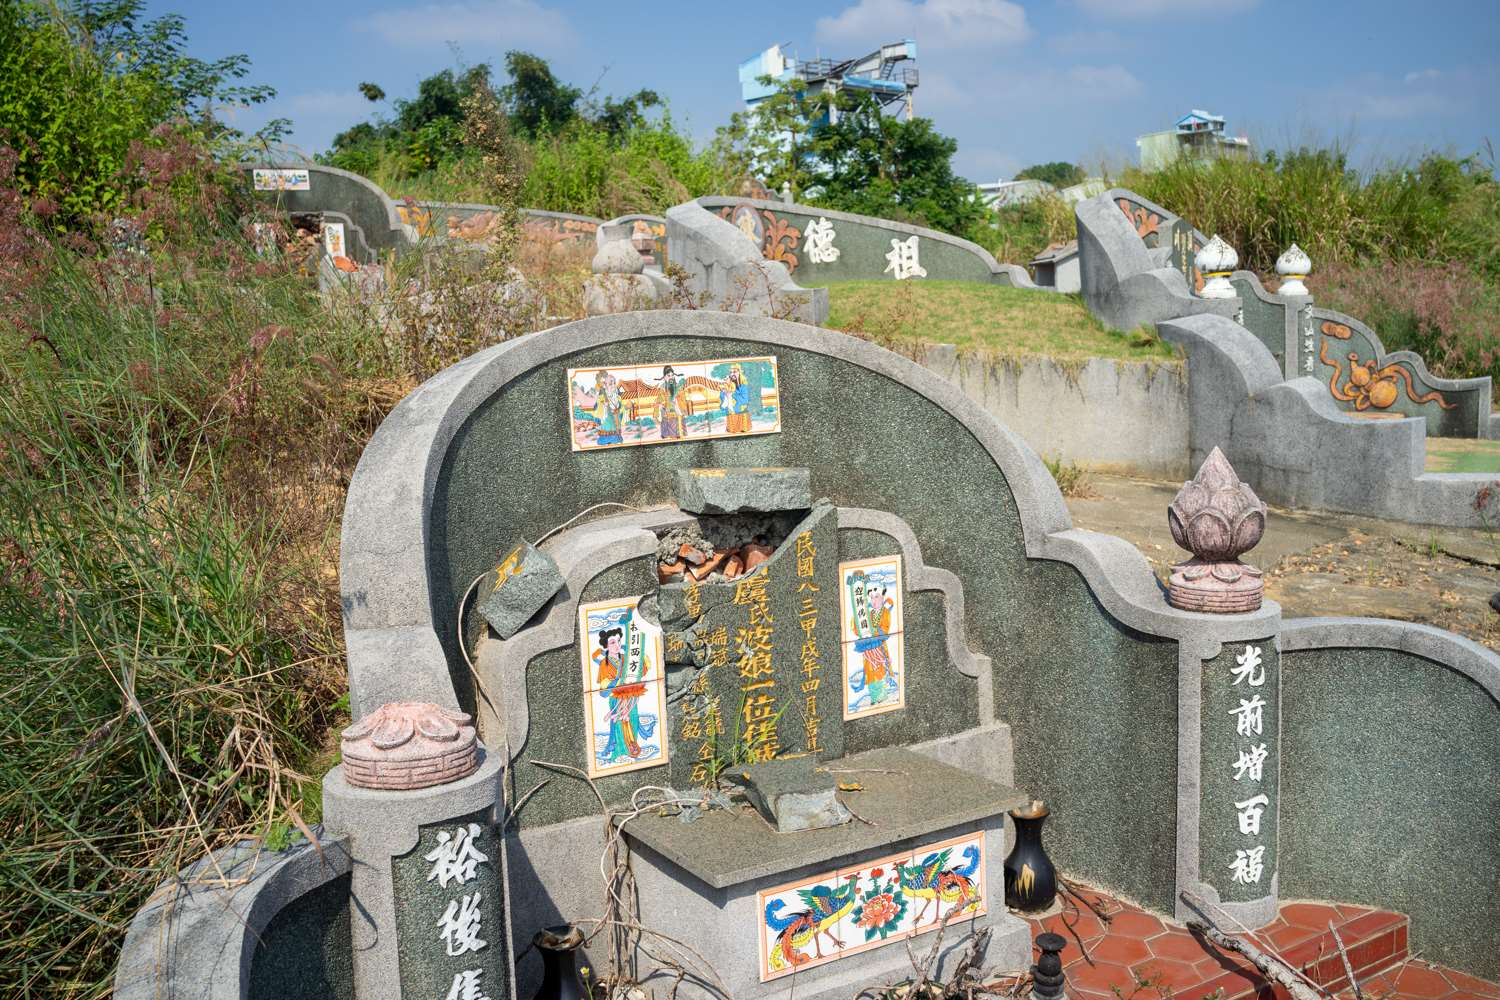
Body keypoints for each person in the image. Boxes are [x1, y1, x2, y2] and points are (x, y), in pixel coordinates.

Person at [593, 626, 651, 763]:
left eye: (619, 641)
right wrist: (619, 681)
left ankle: (633, 748)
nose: (617, 645)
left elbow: (643, 667)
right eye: (612, 642)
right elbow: (604, 686)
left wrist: (631, 650)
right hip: (616, 699)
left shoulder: (627, 658)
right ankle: (620, 751)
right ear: (606, 645)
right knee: (619, 724)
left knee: (633, 720)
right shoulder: (604, 663)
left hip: (631, 698)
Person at [852, 584, 897, 707]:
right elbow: (858, 630)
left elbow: (885, 629)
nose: (874, 600)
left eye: (877, 597)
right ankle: (874, 697)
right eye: (872, 597)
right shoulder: (868, 614)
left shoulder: (886, 612)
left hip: (879, 647)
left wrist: (872, 632)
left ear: (882, 597)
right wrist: (857, 619)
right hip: (868, 649)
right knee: (870, 673)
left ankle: (881, 696)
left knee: (880, 671)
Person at [573, 370, 625, 446]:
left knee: (617, 440)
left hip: (616, 422)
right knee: (607, 438)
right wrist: (605, 406)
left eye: (614, 383)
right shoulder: (601, 397)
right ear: (605, 385)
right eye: (610, 384)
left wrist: (617, 406)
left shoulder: (618, 397)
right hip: (607, 422)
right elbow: (597, 408)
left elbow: (621, 409)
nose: (613, 385)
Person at [655, 365, 686, 440]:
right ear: (664, 377)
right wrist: (661, 405)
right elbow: (659, 400)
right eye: (668, 375)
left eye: (672, 375)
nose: (671, 377)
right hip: (667, 411)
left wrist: (677, 399)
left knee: (678, 430)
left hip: (677, 409)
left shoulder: (678, 386)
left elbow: (682, 398)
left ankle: (679, 434)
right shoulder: (662, 388)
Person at [720, 364, 752, 434]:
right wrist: (724, 393)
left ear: (739, 373)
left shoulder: (743, 386)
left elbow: (745, 400)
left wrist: (732, 394)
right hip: (731, 415)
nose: (732, 374)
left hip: (741, 414)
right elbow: (722, 397)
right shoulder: (727, 385)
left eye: (734, 372)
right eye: (731, 372)